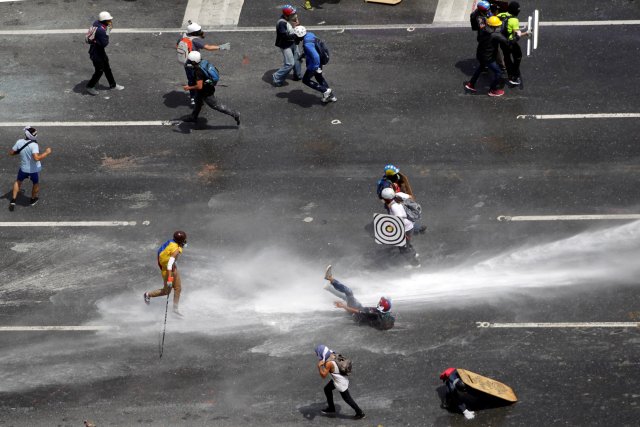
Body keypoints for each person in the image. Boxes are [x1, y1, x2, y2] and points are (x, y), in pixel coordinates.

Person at [323, 266, 395, 330]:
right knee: (346, 297)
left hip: (356, 313)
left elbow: (357, 311)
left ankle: (330, 278)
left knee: (349, 293)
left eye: (380, 303)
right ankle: (328, 288)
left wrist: (344, 306)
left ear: (381, 307)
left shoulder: (374, 314)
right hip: (359, 309)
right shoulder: (385, 313)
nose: (379, 303)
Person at [177, 21, 231, 105]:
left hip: (186, 63)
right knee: (200, 80)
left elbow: (177, 46)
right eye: (198, 31)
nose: (200, 32)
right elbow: (208, 47)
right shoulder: (195, 40)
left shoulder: (184, 37)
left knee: (191, 80)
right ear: (194, 33)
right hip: (194, 63)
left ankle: (192, 98)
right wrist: (221, 47)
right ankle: (201, 96)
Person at [181, 51, 240, 125]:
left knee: (216, 106)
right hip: (204, 89)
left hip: (206, 92)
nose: (189, 61)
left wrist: (189, 87)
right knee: (198, 102)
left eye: (190, 60)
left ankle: (235, 114)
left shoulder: (198, 71)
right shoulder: (203, 61)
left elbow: (199, 86)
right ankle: (193, 117)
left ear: (194, 61)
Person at [315, 344, 365, 420]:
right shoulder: (332, 354)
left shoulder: (329, 363)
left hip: (340, 382)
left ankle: (360, 413)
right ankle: (331, 408)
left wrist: (319, 367)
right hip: (337, 378)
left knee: (347, 399)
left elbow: (323, 376)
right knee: (327, 389)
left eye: (317, 353)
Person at [144, 231, 188, 317]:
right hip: (168, 271)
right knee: (167, 291)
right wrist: (169, 279)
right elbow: (169, 266)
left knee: (178, 288)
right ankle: (148, 294)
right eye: (184, 240)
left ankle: (175, 309)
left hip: (172, 267)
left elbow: (161, 251)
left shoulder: (171, 242)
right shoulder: (176, 250)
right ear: (181, 241)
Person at [464, 15, 509, 97]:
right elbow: (507, 42)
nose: (499, 26)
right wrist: (518, 35)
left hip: (480, 54)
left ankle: (471, 84)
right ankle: (493, 90)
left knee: (481, 67)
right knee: (498, 72)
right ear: (494, 26)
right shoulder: (495, 35)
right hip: (488, 58)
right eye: (497, 25)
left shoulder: (483, 29)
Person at [8, 126, 52, 211]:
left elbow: (11, 153)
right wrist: (46, 153)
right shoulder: (34, 145)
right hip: (33, 170)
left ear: (26, 134)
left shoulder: (19, 142)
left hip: (23, 169)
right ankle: (32, 199)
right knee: (35, 183)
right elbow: (36, 158)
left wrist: (21, 152)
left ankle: (13, 200)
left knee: (18, 182)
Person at [294, 26, 337, 103]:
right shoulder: (310, 34)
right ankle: (331, 96)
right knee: (319, 78)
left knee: (305, 80)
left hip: (314, 65)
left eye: (295, 35)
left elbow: (315, 56)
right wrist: (304, 55)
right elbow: (314, 47)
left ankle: (325, 90)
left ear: (299, 35)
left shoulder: (307, 44)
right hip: (320, 61)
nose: (295, 37)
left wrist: (316, 68)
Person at [85, 11, 124, 95]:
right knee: (99, 71)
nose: (110, 21)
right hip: (97, 53)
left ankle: (113, 85)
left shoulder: (96, 23)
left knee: (107, 68)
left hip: (96, 50)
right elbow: (104, 43)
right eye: (108, 20)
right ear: (104, 21)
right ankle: (90, 86)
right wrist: (109, 29)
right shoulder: (101, 31)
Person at [381, 188, 420, 266]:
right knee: (406, 243)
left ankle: (415, 264)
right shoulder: (399, 195)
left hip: (405, 228)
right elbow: (410, 196)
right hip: (409, 225)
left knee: (403, 249)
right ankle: (414, 254)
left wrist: (392, 229)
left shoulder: (394, 206)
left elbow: (399, 220)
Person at [497, 2, 528, 86]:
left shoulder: (502, 15)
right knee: (518, 56)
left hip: (502, 41)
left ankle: (509, 74)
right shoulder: (514, 20)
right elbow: (516, 34)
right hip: (511, 43)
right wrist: (526, 33)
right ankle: (514, 75)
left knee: (507, 57)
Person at [272, 5, 302, 86]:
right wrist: (296, 34)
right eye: (292, 15)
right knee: (290, 64)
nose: (295, 16)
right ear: (286, 15)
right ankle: (276, 78)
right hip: (285, 46)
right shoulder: (281, 23)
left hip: (293, 43)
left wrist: (298, 26)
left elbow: (296, 29)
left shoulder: (291, 19)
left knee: (298, 59)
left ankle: (298, 75)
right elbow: (284, 36)